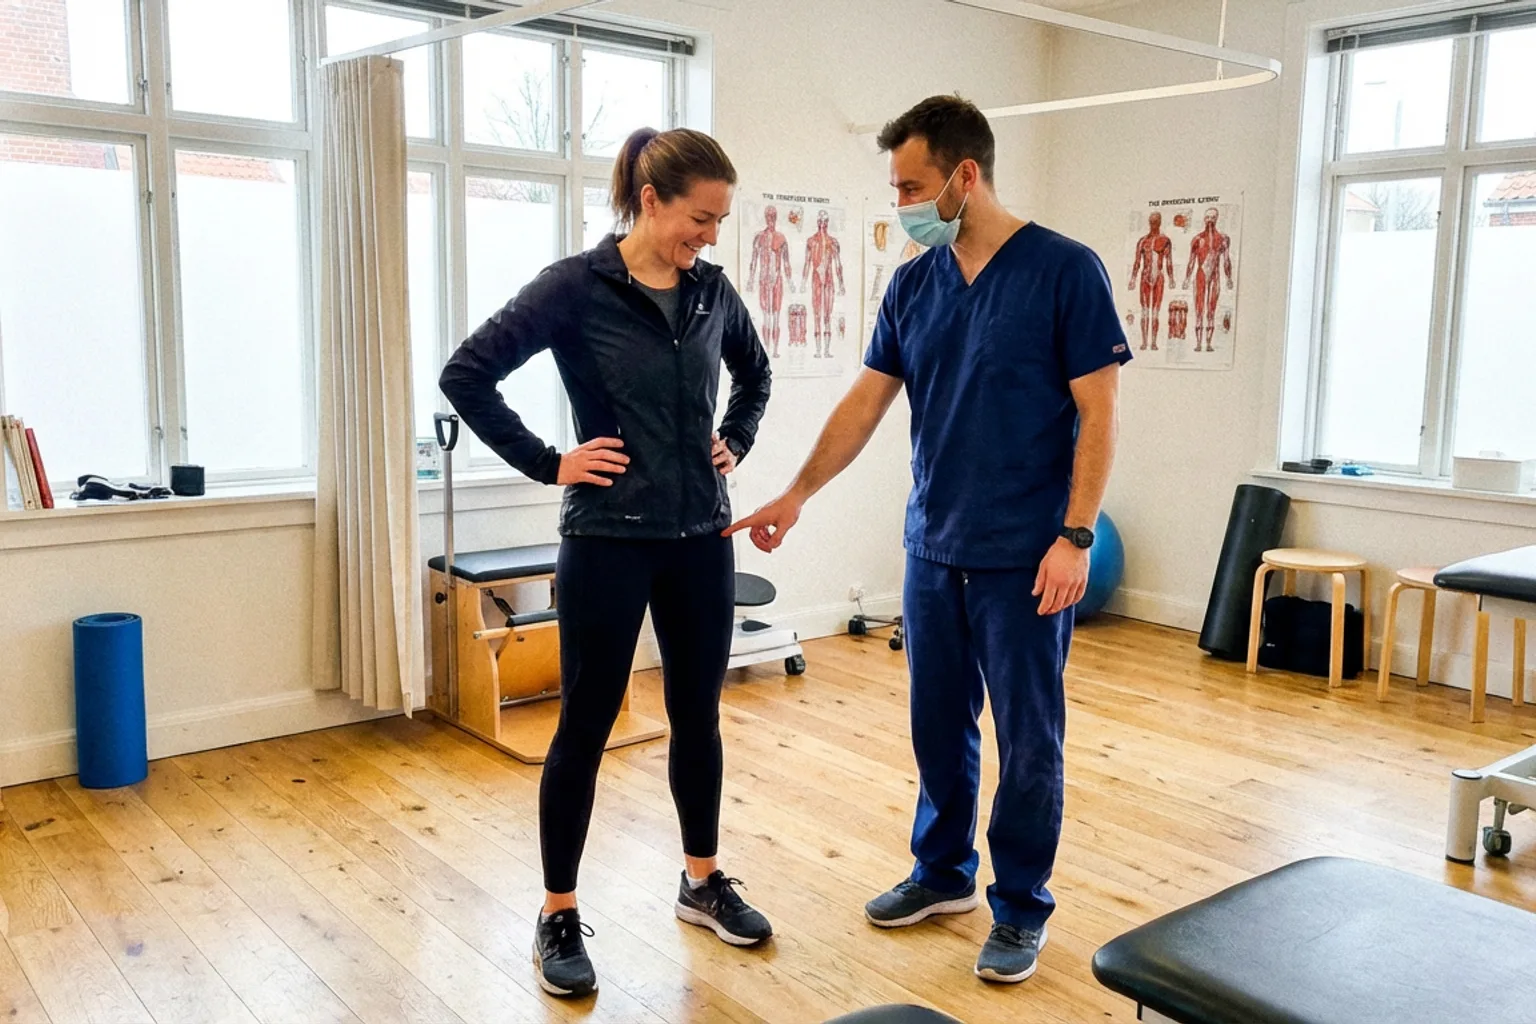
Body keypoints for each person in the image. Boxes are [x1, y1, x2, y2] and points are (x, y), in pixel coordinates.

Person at [726, 95, 1129, 985]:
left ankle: (1019, 907)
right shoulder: (914, 283)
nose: (901, 204)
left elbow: (1100, 413)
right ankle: (943, 874)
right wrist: (796, 493)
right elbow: (866, 401)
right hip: (934, 547)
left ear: (964, 176)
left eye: (911, 188)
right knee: (937, 728)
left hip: (1027, 554)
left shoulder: (1065, 270)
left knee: (1029, 739)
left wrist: (1076, 535)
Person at [440, 126, 775, 1000]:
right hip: (607, 541)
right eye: (700, 218)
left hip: (699, 538)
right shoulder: (574, 288)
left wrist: (735, 438)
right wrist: (549, 462)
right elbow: (466, 373)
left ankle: (702, 881)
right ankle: (557, 913)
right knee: (583, 728)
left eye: (720, 222)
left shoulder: (711, 293)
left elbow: (756, 375)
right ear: (651, 201)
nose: (710, 237)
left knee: (698, 718)